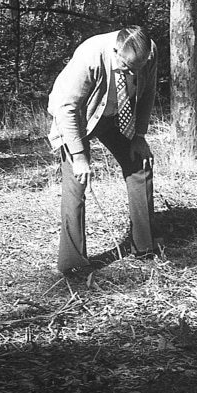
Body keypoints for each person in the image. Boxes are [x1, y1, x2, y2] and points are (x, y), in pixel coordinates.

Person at [47, 26, 158, 274]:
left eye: (136, 68)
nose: (132, 73)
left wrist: (139, 136)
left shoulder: (148, 53)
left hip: (117, 115)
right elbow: (67, 107)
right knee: (77, 182)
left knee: (139, 165)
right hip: (78, 117)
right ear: (116, 50)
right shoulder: (90, 56)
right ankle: (72, 263)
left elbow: (148, 92)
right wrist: (79, 156)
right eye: (127, 67)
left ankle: (144, 246)